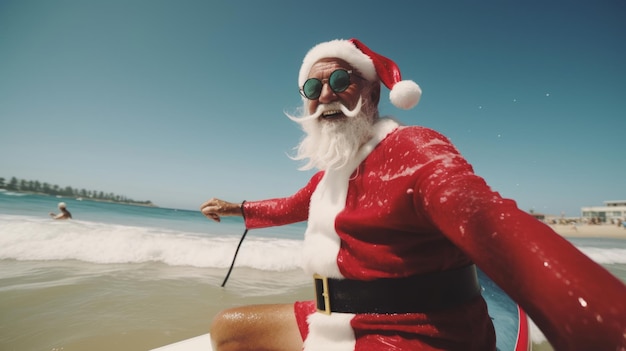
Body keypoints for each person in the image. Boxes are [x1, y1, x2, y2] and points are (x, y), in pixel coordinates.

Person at [201, 39, 625, 351]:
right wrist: (238, 208)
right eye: (313, 90)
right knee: (229, 328)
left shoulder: (411, 148)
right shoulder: (334, 174)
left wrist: (597, 322)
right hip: (342, 319)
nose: (325, 95)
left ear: (371, 92)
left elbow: (485, 218)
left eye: (340, 81)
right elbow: (292, 206)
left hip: (422, 332)